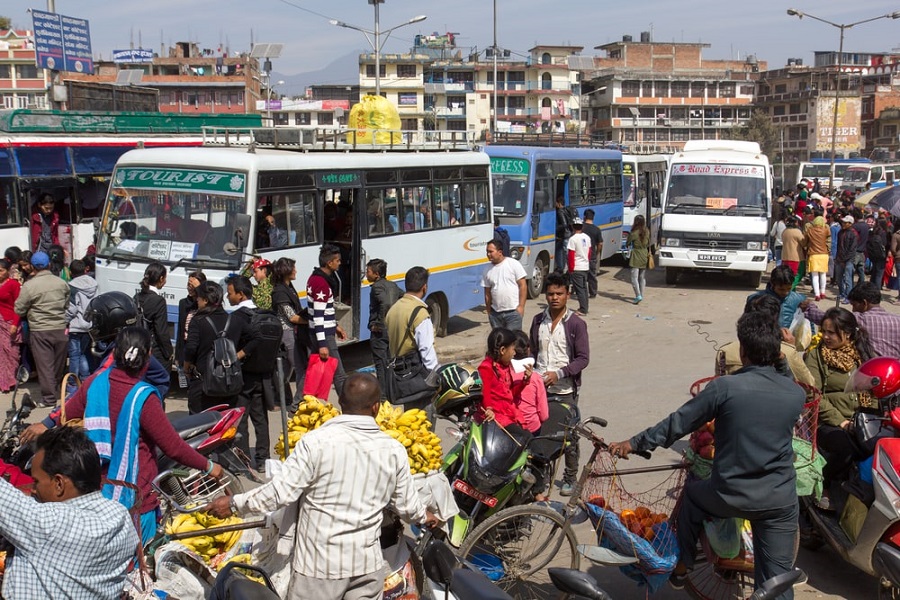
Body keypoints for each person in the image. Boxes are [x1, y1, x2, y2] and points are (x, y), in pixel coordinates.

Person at [609, 311, 805, 598]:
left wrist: (635, 443)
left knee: (692, 494)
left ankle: (683, 566)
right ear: (777, 351)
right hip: (779, 502)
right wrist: (779, 361)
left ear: (742, 349)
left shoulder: (724, 388)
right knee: (777, 581)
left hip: (729, 493)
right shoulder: (794, 393)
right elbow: (784, 381)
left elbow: (677, 424)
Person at [205, 373, 436, 600]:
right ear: (376, 407)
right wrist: (424, 515)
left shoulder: (315, 443)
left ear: (341, 403)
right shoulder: (393, 450)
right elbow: (407, 506)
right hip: (367, 566)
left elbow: (279, 493)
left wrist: (234, 504)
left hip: (319, 569)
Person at [0, 426, 138, 600]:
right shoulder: (121, 516)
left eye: (36, 482)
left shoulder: (49, 524)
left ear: (59, 483)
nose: (33, 490)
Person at [804, 307, 875, 510]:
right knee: (845, 448)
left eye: (831, 332)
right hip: (829, 422)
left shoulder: (863, 354)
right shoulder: (816, 356)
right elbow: (813, 394)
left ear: (848, 333)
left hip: (864, 421)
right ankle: (824, 484)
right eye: (824, 331)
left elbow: (876, 386)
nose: (825, 336)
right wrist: (840, 421)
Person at [528, 272, 590, 496]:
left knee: (569, 436)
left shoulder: (576, 324)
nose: (554, 298)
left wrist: (560, 373)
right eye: (551, 294)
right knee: (540, 433)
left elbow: (582, 358)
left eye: (559, 294)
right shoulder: (538, 321)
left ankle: (570, 477)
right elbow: (532, 353)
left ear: (568, 294)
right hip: (540, 390)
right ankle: (540, 477)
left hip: (565, 390)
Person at [226, 275, 274, 472]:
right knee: (260, 418)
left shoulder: (237, 317)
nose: (228, 297)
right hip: (263, 375)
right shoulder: (265, 314)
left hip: (243, 375)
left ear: (240, 294)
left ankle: (243, 458)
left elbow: (229, 345)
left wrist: (238, 355)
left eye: (230, 293)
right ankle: (263, 459)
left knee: (241, 419)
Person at [716, 293, 815, 386]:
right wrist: (792, 348)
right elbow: (809, 386)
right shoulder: (787, 352)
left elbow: (719, 382)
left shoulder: (725, 351)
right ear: (775, 321)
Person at [14, 251, 69, 407]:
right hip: (60, 328)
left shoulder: (29, 286)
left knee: (45, 366)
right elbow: (66, 304)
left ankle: (49, 399)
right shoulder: (61, 283)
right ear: (49, 265)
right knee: (58, 364)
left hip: (40, 330)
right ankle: (56, 390)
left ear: (32, 266)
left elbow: (19, 309)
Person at [384, 266, 439, 411]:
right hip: (419, 378)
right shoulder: (420, 314)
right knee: (423, 425)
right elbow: (427, 352)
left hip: (402, 377)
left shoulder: (394, 309)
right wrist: (437, 378)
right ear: (424, 287)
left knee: (410, 419)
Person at [183, 281, 241, 413]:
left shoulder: (198, 321)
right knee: (225, 426)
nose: (197, 301)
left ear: (205, 300)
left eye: (198, 298)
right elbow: (254, 338)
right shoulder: (235, 321)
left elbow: (191, 348)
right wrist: (239, 355)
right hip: (229, 383)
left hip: (203, 385)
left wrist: (186, 366)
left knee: (199, 427)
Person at [803, 281, 900, 358]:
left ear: (864, 303)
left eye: (854, 305)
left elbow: (827, 319)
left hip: (868, 372)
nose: (853, 309)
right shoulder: (897, 320)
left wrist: (809, 307)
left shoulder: (858, 319)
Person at [306, 244, 348, 396]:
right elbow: (318, 315)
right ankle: (348, 405)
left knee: (316, 373)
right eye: (338, 260)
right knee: (339, 375)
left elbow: (324, 311)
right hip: (324, 335)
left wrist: (335, 326)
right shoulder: (322, 284)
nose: (340, 263)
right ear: (329, 263)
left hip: (324, 331)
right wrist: (323, 344)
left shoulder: (316, 278)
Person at [477, 327, 529, 435]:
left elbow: (509, 394)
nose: (514, 353)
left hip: (510, 413)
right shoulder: (486, 368)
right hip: (498, 417)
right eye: (513, 349)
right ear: (502, 350)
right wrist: (489, 409)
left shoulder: (505, 367)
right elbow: (484, 392)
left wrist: (524, 381)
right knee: (527, 440)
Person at [272, 257, 308, 405]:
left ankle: (277, 398)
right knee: (302, 369)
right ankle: (298, 402)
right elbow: (292, 317)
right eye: (293, 268)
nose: (296, 271)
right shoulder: (280, 292)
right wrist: (312, 320)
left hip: (291, 333)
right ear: (286, 271)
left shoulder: (289, 288)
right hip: (288, 333)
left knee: (285, 371)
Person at [366, 258, 402, 393]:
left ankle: (382, 396)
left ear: (376, 274)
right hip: (392, 330)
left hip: (380, 332)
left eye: (368, 271)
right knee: (389, 362)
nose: (366, 274)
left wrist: (379, 324)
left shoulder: (377, 287)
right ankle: (391, 391)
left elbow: (386, 304)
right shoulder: (393, 285)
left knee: (381, 364)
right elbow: (403, 298)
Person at [134, 261, 173, 370]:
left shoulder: (137, 297)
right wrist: (169, 352)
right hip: (154, 352)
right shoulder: (158, 301)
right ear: (161, 279)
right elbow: (161, 331)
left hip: (139, 347)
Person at [65, 259, 98, 384]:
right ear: (85, 270)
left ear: (71, 272)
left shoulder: (72, 286)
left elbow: (72, 309)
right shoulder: (94, 283)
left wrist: (65, 320)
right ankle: (85, 378)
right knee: (84, 353)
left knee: (74, 355)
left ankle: (73, 381)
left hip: (75, 325)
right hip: (89, 324)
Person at [482, 238, 527, 331]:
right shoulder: (487, 270)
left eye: (491, 251)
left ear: (500, 252)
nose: (488, 254)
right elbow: (487, 293)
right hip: (495, 314)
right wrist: (489, 312)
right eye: (487, 252)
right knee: (499, 342)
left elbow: (522, 286)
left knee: (513, 342)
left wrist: (521, 307)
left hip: (513, 313)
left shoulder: (513, 264)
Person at [744, 264, 805, 330]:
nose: (785, 292)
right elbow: (747, 325)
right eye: (781, 289)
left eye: (789, 288)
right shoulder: (756, 299)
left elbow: (808, 327)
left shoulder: (799, 300)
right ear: (772, 284)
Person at [512, 330, 548, 435]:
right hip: (532, 428)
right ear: (528, 350)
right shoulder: (535, 377)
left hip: (510, 429)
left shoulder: (503, 374)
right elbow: (544, 415)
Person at [175, 271, 206, 388]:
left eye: (193, 285)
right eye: (188, 284)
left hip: (200, 349)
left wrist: (199, 291)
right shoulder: (183, 303)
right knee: (187, 384)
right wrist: (178, 355)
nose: (190, 288)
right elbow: (180, 330)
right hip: (186, 347)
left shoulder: (204, 304)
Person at [0, 258, 21, 392]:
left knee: (11, 352)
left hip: (9, 322)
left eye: (1, 271)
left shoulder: (13, 285)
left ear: (8, 271)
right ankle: (3, 383)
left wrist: (15, 323)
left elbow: (19, 305)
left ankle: (12, 381)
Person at [804, 210, 831, 301]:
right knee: (823, 274)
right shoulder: (826, 230)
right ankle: (823, 292)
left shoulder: (810, 230)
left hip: (813, 254)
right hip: (824, 253)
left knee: (814, 275)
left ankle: (817, 294)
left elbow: (805, 241)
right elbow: (829, 240)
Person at [567, 217, 591, 315]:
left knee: (579, 289)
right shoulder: (587, 237)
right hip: (585, 266)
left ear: (573, 226)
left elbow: (571, 255)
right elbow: (589, 252)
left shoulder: (573, 239)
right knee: (584, 288)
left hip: (577, 267)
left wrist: (571, 269)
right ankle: (585, 307)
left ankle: (583, 309)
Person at [834, 215, 860, 304]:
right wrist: (838, 258)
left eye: (845, 222)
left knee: (848, 279)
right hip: (839, 258)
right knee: (839, 277)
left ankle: (849, 296)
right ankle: (842, 293)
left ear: (850, 224)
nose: (843, 224)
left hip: (848, 260)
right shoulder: (841, 232)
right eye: (843, 222)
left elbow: (852, 249)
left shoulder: (853, 234)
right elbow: (838, 246)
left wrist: (844, 260)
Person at [627, 214, 651, 305]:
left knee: (634, 278)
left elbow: (628, 243)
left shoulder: (634, 233)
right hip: (644, 254)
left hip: (636, 255)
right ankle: (641, 294)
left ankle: (638, 295)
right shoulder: (647, 231)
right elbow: (648, 242)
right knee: (642, 277)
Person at [582, 209, 603, 298]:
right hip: (592, 255)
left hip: (581, 254)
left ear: (584, 217)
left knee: (580, 274)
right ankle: (593, 293)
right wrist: (597, 252)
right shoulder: (596, 229)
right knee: (592, 275)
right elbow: (600, 243)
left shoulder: (581, 228)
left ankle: (578, 290)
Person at [554, 195, 575, 273]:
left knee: (563, 252)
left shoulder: (560, 211)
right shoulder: (567, 209)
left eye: (556, 203)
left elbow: (564, 224)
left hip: (565, 235)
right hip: (570, 233)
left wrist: (555, 229)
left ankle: (562, 269)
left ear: (559, 203)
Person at [867, 217, 890, 289]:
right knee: (879, 275)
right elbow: (885, 244)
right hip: (881, 255)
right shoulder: (883, 233)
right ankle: (876, 291)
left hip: (873, 255)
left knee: (874, 273)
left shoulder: (873, 231)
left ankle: (871, 289)